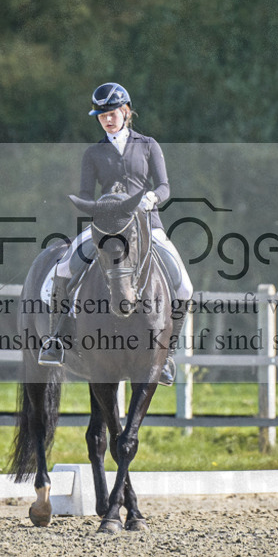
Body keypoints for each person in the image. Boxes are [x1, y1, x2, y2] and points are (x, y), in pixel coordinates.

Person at [38, 82, 193, 385]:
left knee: (184, 286)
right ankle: (55, 340)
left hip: (147, 226)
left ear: (125, 111)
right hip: (105, 227)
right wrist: (95, 208)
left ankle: (166, 355)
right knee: (65, 267)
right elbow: (85, 192)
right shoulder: (93, 153)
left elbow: (164, 186)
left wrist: (151, 198)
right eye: (101, 115)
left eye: (111, 113)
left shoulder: (148, 145)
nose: (107, 119)